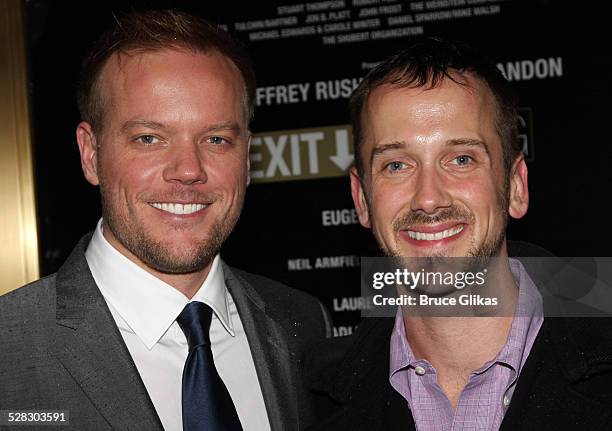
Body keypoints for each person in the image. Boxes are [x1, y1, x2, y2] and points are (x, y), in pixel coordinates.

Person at [0, 10, 330, 431]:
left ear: (247, 157)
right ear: (90, 153)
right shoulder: (9, 347)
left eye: (216, 139)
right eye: (149, 139)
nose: (188, 170)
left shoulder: (301, 324)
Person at [308, 38, 612, 430]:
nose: (429, 198)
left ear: (516, 187)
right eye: (397, 165)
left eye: (462, 159)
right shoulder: (306, 399)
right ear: (362, 199)